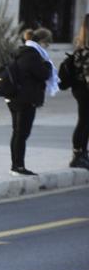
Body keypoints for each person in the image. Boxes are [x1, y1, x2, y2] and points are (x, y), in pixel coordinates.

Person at [6, 28, 56, 177]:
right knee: (21, 134)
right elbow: (44, 74)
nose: (47, 47)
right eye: (47, 43)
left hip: (14, 98)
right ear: (41, 42)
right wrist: (47, 64)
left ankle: (16, 165)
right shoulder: (33, 55)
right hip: (25, 100)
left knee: (17, 133)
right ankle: (18, 166)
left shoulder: (20, 51)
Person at [60, 15, 89, 169]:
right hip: (84, 90)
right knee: (84, 122)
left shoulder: (80, 47)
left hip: (79, 89)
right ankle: (79, 154)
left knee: (84, 121)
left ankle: (82, 152)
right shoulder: (85, 50)